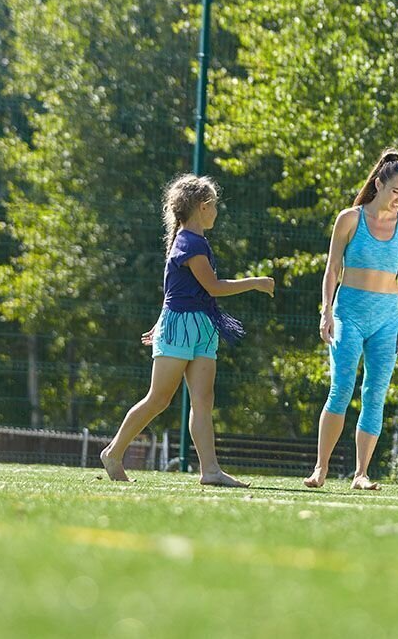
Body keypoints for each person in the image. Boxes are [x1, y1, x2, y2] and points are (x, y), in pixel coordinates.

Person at [100, 174, 274, 485]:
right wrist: (256, 283)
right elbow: (212, 287)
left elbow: (180, 288)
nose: (217, 211)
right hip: (181, 327)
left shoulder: (196, 241)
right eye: (215, 205)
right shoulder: (189, 242)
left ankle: (210, 471)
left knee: (203, 401)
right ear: (204, 207)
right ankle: (113, 452)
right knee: (159, 399)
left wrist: (159, 321)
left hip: (203, 326)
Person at [304, 147, 398, 491]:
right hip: (348, 312)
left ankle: (361, 473)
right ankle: (320, 469)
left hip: (387, 317)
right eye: (396, 190)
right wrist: (326, 310)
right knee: (340, 390)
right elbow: (331, 270)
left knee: (375, 393)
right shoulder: (350, 218)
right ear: (379, 184)